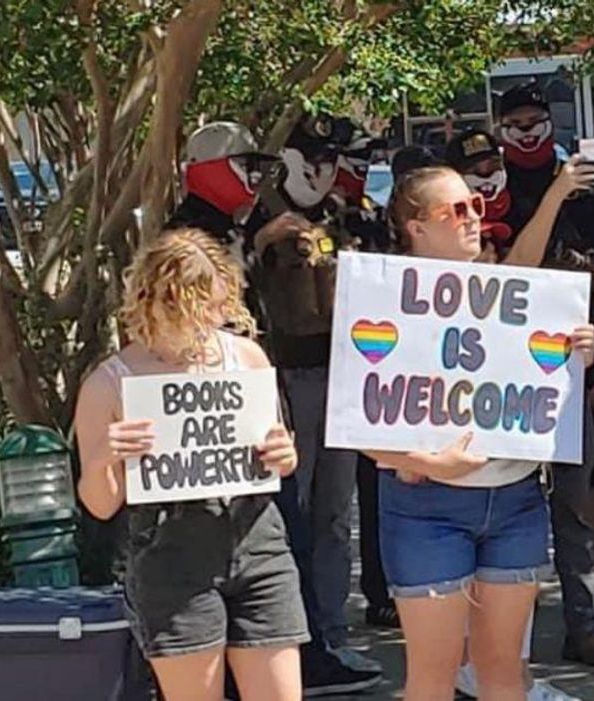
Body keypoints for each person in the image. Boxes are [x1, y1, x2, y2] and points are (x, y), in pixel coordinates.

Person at [169, 122, 382, 696]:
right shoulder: (190, 236)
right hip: (219, 407)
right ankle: (282, 657)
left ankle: (310, 646)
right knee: (272, 531)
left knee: (296, 525)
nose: (254, 178)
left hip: (263, 394)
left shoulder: (245, 225)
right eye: (243, 165)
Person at [369, 165, 594, 701]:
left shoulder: (506, 290)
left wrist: (573, 352)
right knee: (432, 677)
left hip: (516, 499)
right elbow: (355, 420)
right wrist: (429, 463)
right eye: (457, 210)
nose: (475, 218)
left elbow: (524, 264)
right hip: (425, 506)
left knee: (502, 674)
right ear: (416, 227)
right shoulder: (382, 296)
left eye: (476, 204)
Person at [74, 228, 309, 701]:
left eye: (221, 307)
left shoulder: (246, 357)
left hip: (257, 540)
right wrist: (106, 455)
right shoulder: (110, 382)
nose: (212, 324)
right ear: (157, 302)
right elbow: (99, 507)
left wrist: (285, 454)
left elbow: (279, 455)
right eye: (199, 310)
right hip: (171, 552)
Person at [497, 83, 594, 668]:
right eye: (516, 121)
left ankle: (584, 625)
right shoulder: (490, 196)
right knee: (510, 509)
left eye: (537, 120)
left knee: (581, 505)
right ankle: (507, 639)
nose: (528, 131)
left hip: (585, 374)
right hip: (503, 378)